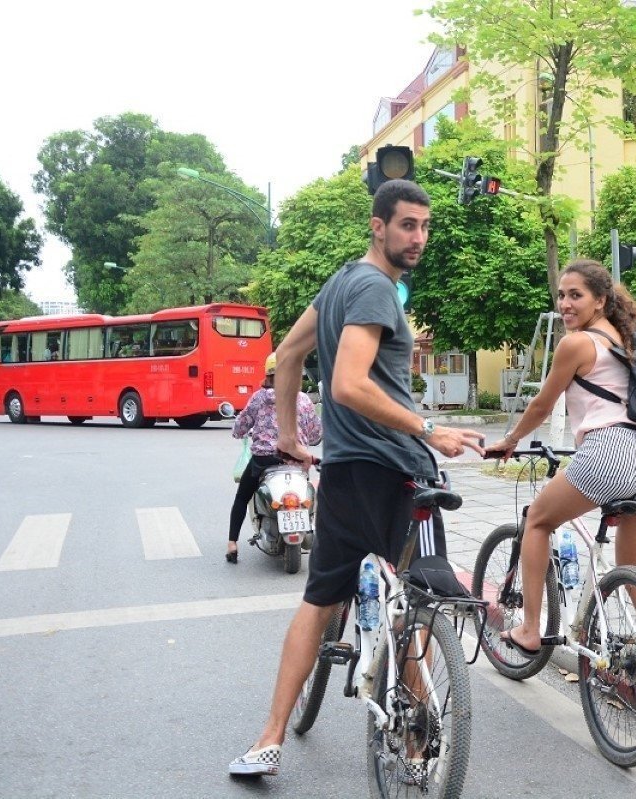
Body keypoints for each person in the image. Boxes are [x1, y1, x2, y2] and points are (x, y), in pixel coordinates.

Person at [229, 179, 484, 777]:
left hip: (344, 474)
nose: (419, 237)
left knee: (319, 601)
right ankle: (420, 741)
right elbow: (347, 384)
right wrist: (428, 429)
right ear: (378, 226)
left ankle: (270, 738)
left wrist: (289, 436)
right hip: (396, 470)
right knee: (413, 600)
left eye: (424, 226)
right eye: (406, 226)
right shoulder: (373, 288)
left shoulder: (342, 281)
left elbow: (286, 355)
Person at [482, 259, 636, 704]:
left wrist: (510, 440)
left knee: (537, 520)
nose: (564, 303)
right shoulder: (631, 342)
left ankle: (528, 627)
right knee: (633, 571)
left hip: (607, 453)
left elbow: (543, 403)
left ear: (600, 300)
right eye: (560, 295)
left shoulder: (576, 344)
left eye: (575, 295)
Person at [226, 352, 322, 563]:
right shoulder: (304, 400)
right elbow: (315, 434)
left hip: (264, 461)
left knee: (242, 496)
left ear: (268, 375)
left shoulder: (259, 398)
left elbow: (240, 427)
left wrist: (239, 430)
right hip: (297, 463)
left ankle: (232, 544)